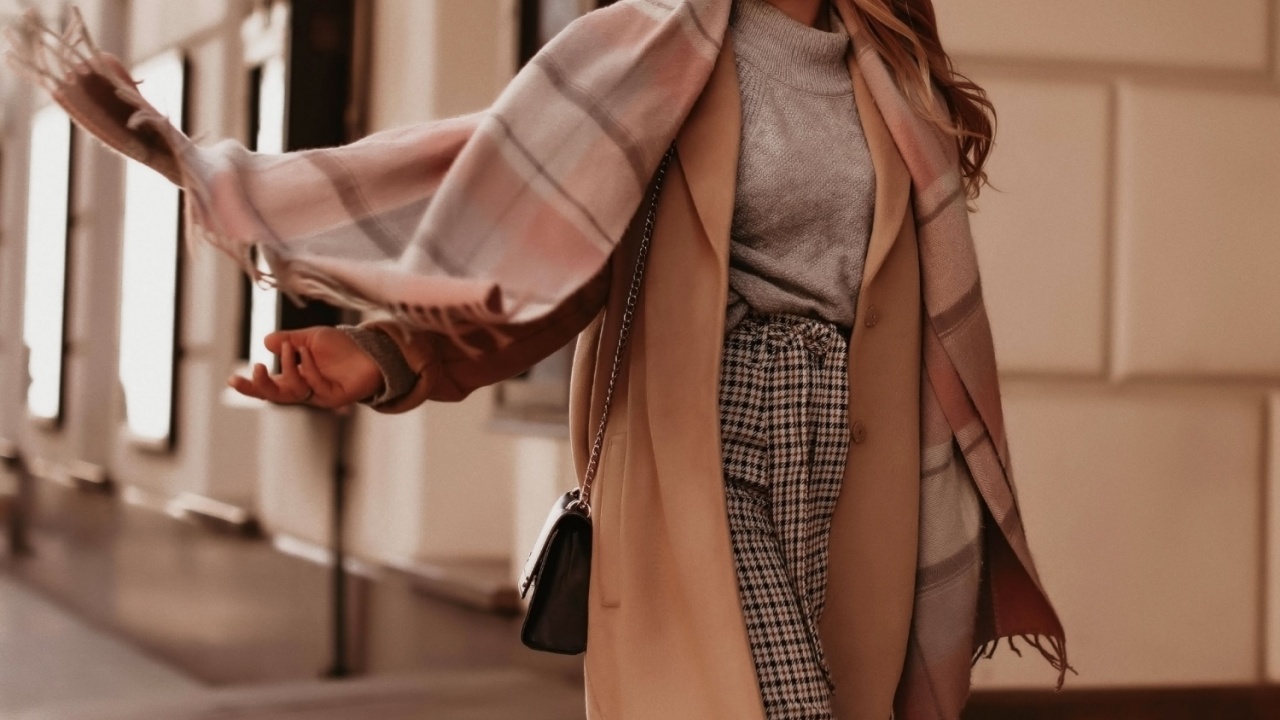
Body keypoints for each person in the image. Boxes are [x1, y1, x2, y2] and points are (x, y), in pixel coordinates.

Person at [10, 0, 1069, 718]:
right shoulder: (651, 54)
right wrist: (385, 352)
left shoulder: (891, 77)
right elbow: (544, 247)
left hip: (855, 463)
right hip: (703, 441)